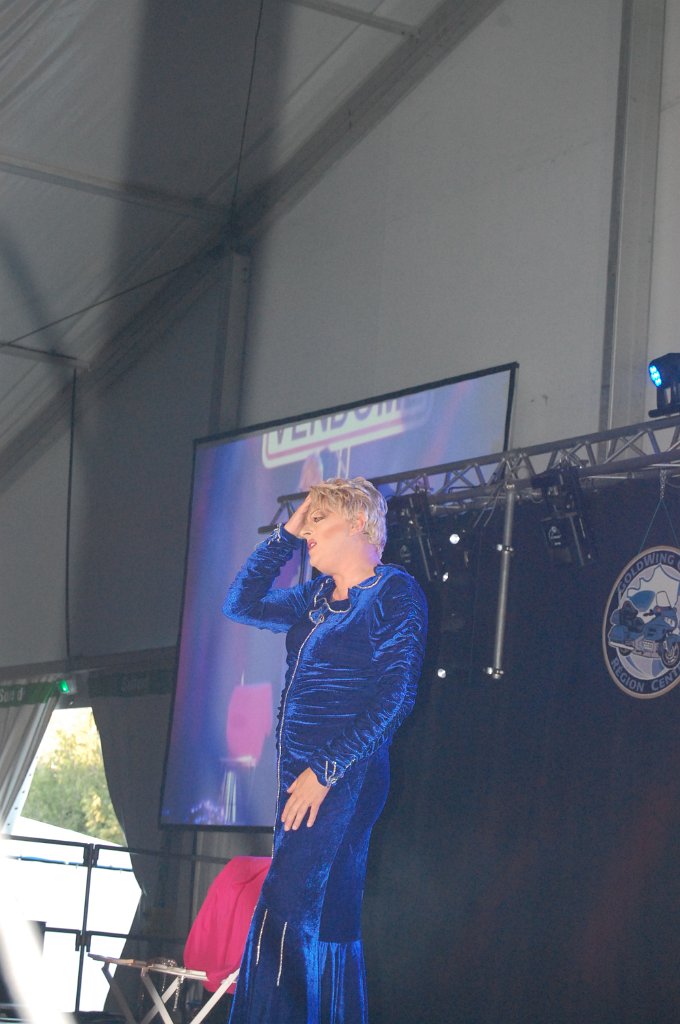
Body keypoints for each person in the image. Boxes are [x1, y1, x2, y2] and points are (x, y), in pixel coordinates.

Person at [222, 476, 428, 1024]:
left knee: (288, 906)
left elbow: (397, 695)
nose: (309, 532)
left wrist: (326, 771)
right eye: (307, 523)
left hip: (344, 775)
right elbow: (240, 603)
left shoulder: (394, 592)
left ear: (359, 523)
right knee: (329, 918)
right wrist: (286, 535)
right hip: (302, 777)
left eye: (319, 520)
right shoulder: (315, 597)